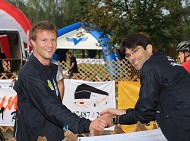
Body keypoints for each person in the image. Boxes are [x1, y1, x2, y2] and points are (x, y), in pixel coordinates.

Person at [13, 21, 107, 141]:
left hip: (51, 134)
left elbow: (56, 105)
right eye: (44, 40)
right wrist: (85, 124)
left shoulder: (50, 69)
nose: (50, 45)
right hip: (35, 136)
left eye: (53, 40)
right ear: (33, 42)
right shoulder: (30, 73)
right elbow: (50, 107)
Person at [100, 33, 190, 141]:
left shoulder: (150, 68)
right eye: (128, 55)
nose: (132, 58)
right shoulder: (164, 61)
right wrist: (122, 112)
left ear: (149, 48)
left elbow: (144, 113)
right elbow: (151, 109)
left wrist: (114, 120)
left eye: (135, 51)